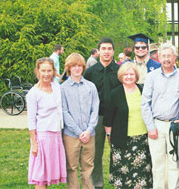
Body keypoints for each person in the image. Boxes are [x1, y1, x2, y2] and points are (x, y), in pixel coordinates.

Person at [141, 43, 179, 189]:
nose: (166, 59)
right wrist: (150, 127)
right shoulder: (151, 77)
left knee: (174, 163)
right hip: (156, 124)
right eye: (163, 56)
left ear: (175, 57)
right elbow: (145, 103)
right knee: (158, 163)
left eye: (169, 56)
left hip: (175, 125)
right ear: (158, 57)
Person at [103, 62, 152, 189]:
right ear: (121, 76)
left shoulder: (143, 90)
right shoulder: (115, 94)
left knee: (141, 174)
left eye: (131, 74)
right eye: (126, 74)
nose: (129, 77)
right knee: (124, 174)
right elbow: (108, 118)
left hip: (142, 139)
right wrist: (109, 134)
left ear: (136, 76)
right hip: (122, 139)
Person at [84, 37, 122, 189]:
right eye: (103, 49)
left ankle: (119, 182)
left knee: (118, 152)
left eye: (109, 49)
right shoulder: (90, 72)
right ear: (98, 51)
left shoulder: (120, 71)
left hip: (117, 118)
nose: (106, 52)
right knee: (96, 154)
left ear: (113, 51)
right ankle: (97, 184)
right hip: (97, 119)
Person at [26, 57, 66, 188]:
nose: (46, 74)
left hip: (56, 135)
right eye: (43, 70)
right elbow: (31, 120)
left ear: (53, 71)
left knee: (48, 173)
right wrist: (34, 143)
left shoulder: (56, 87)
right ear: (37, 71)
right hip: (43, 137)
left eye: (49, 70)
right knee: (41, 177)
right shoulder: (33, 93)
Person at [61, 53, 99, 189]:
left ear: (83, 67)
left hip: (89, 134)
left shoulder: (91, 87)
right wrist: (78, 132)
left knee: (88, 166)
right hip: (71, 135)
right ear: (68, 68)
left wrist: (89, 130)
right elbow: (64, 112)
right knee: (72, 167)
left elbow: (95, 109)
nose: (77, 69)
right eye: (73, 66)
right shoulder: (63, 88)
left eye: (79, 66)